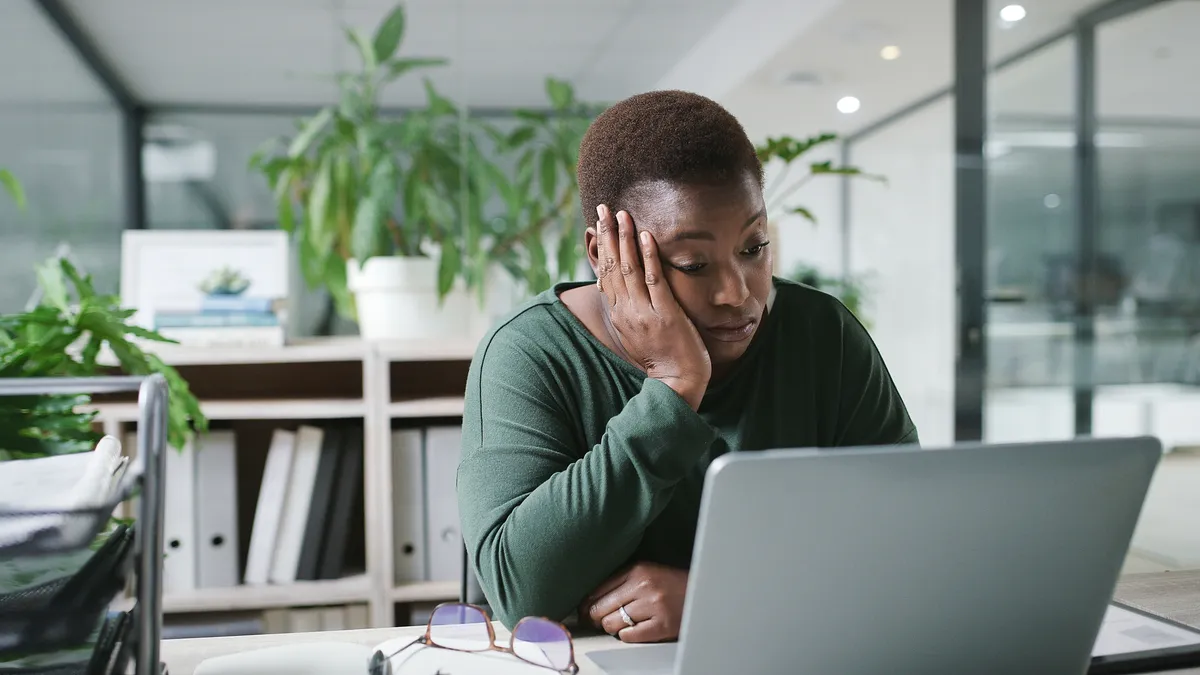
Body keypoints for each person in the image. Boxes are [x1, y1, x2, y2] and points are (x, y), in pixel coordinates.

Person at [457, 90, 918, 644]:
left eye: (754, 248)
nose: (738, 295)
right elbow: (523, 593)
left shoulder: (822, 333)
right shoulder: (530, 351)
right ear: (605, 256)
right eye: (693, 263)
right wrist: (672, 388)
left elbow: (904, 539)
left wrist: (716, 596)